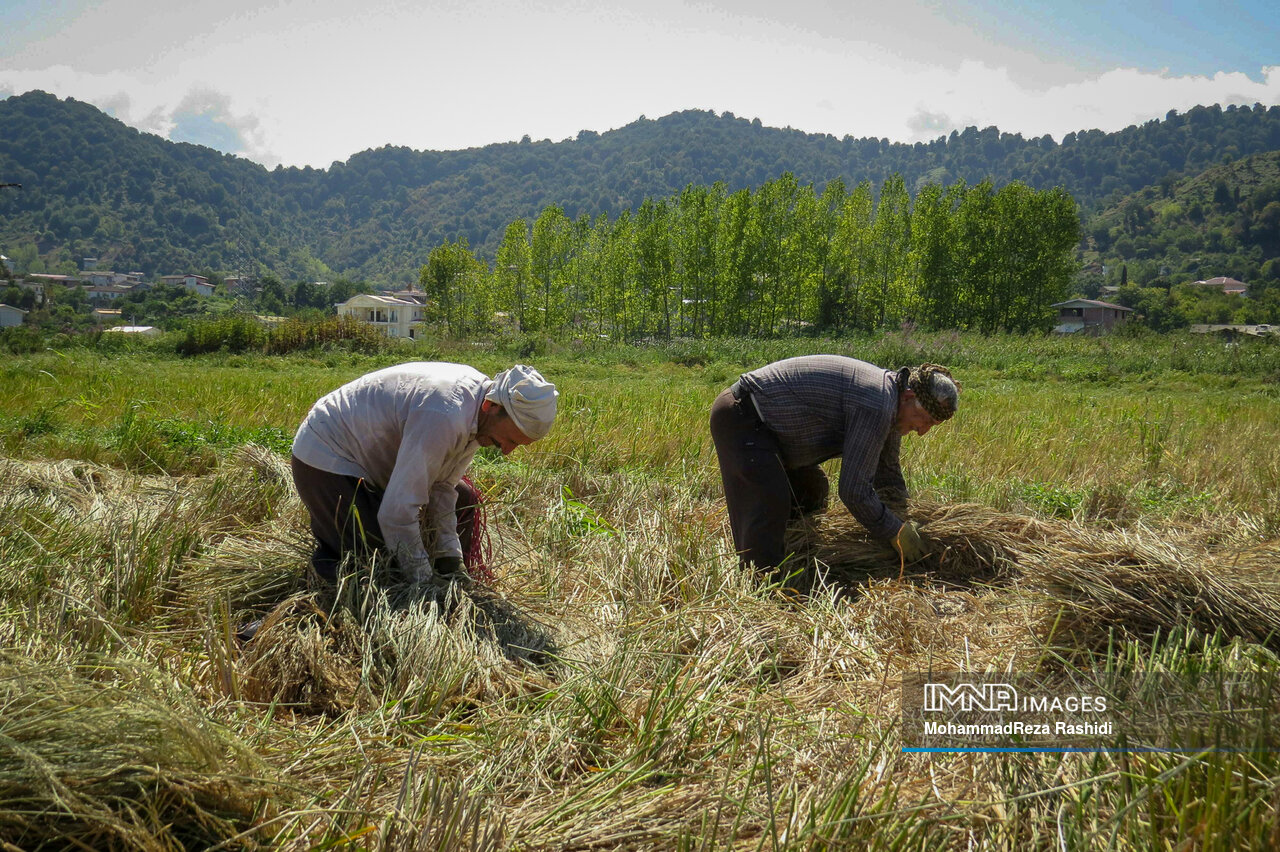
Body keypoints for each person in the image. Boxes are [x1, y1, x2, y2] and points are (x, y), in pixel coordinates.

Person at [290, 362, 558, 585]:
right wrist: (422, 580)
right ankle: (306, 598)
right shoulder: (445, 414)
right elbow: (397, 512)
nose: (507, 451)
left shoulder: (480, 415)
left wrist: (449, 559)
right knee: (373, 563)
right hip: (328, 457)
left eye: (517, 445)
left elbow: (442, 486)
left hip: (374, 463)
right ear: (492, 407)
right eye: (510, 439)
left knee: (463, 499)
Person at [709, 356, 958, 574]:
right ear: (910, 396)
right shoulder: (877, 403)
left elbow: (888, 474)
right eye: (925, 420)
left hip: (774, 433)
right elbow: (853, 491)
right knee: (770, 501)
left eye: (932, 426)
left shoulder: (892, 402)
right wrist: (894, 532)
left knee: (811, 488)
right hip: (743, 418)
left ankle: (795, 558)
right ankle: (763, 586)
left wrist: (906, 518)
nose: (923, 431)